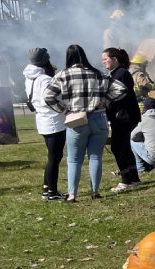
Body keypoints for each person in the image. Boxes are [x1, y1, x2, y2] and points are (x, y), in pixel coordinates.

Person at [44, 44, 127, 201]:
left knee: (74, 159)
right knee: (95, 157)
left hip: (76, 120)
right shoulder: (98, 73)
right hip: (99, 119)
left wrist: (64, 110)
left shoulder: (62, 75)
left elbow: (48, 96)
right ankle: (95, 192)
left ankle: (72, 194)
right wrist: (105, 101)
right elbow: (121, 89)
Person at [23, 47, 67, 201]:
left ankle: (46, 187)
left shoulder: (30, 78)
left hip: (42, 120)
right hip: (54, 120)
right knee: (55, 158)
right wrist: (65, 109)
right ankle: (52, 192)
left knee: (52, 157)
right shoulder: (45, 80)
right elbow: (51, 99)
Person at [101, 47, 142, 191]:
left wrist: (104, 101)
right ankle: (134, 178)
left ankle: (125, 181)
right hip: (125, 116)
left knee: (117, 147)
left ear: (114, 59)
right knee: (124, 146)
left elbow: (119, 93)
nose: (103, 61)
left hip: (124, 117)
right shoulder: (117, 73)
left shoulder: (121, 73)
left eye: (105, 59)